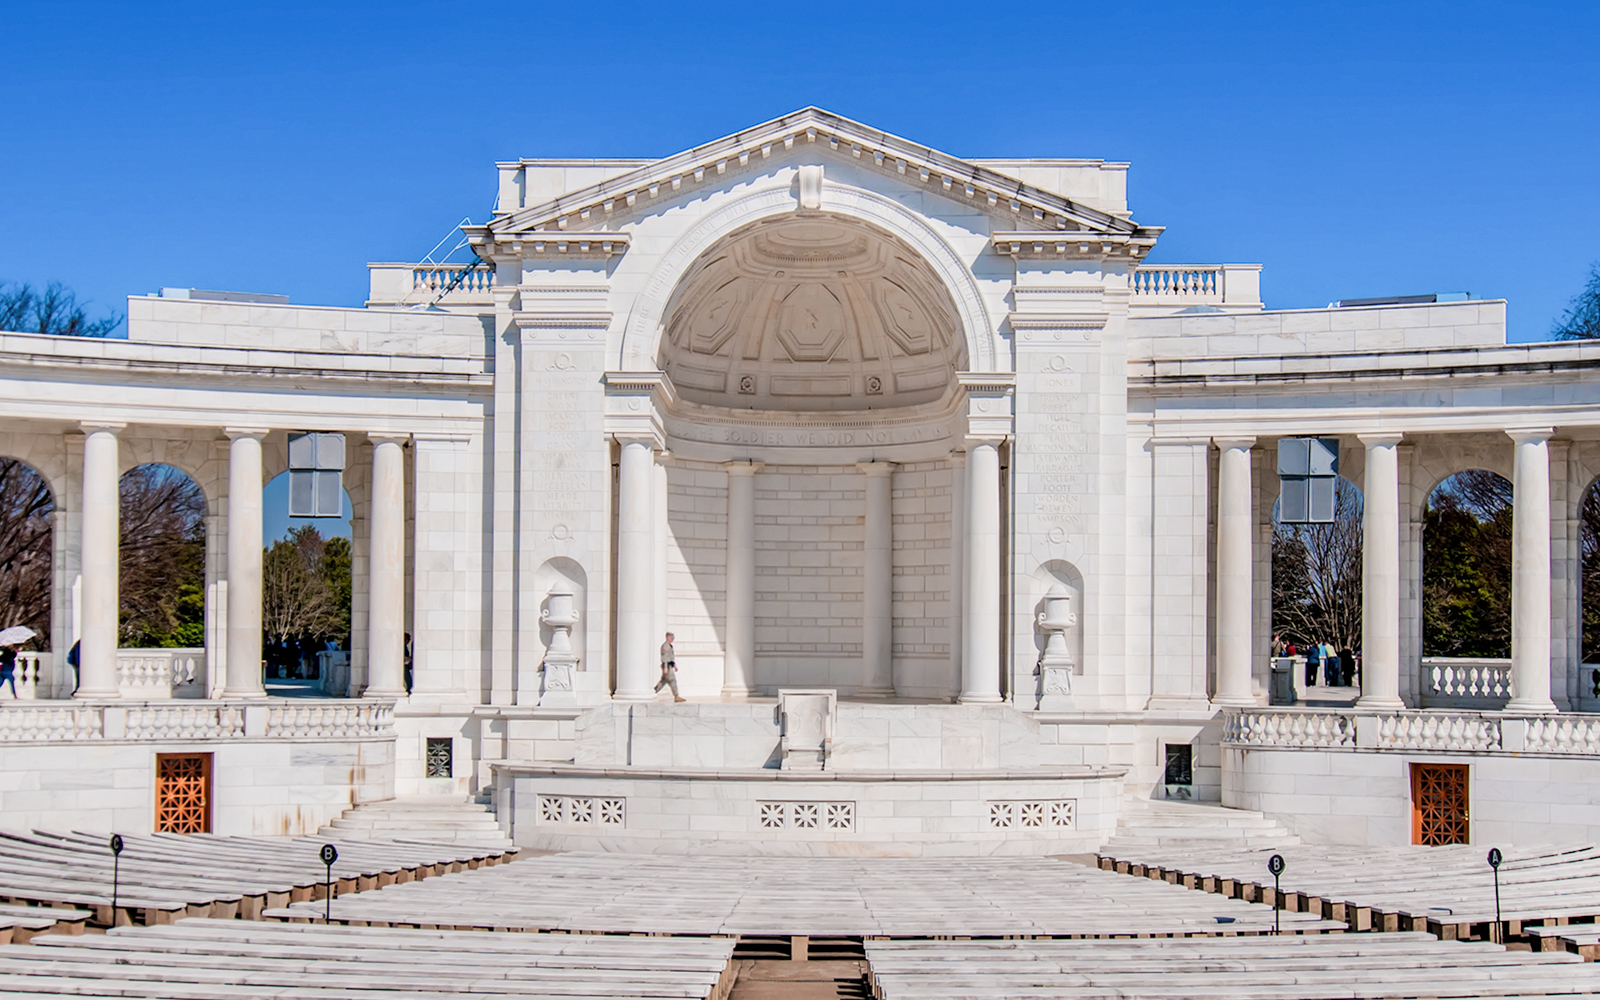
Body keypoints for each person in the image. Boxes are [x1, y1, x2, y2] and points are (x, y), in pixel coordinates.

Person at [656, 632, 685, 702]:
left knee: (663, 681)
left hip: (670, 665)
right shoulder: (665, 646)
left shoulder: (670, 646)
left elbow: (671, 657)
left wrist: (674, 665)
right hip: (667, 666)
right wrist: (665, 667)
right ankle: (676, 696)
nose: (672, 639)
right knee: (672, 681)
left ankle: (654, 691)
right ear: (668, 637)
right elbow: (665, 658)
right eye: (671, 638)